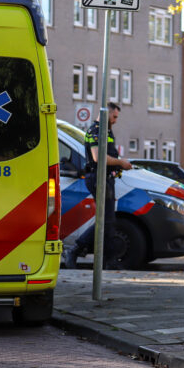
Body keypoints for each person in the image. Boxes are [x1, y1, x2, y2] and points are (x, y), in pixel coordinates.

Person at [64, 102, 132, 269]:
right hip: (98, 178)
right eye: (114, 117)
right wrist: (121, 163)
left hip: (106, 178)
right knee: (106, 220)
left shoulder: (106, 130)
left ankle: (108, 261)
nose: (115, 120)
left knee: (108, 220)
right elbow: (98, 157)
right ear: (106, 114)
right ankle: (76, 249)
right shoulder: (96, 130)